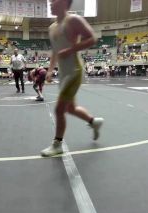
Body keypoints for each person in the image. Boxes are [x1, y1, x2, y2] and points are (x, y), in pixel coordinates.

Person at [40, 0, 104, 157]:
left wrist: (71, 50)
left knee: (59, 109)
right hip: (63, 73)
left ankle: (57, 144)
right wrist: (49, 70)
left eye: (53, 0)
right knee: (70, 108)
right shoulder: (52, 27)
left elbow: (92, 38)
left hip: (74, 71)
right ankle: (93, 122)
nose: (50, 3)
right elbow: (55, 51)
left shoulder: (73, 20)